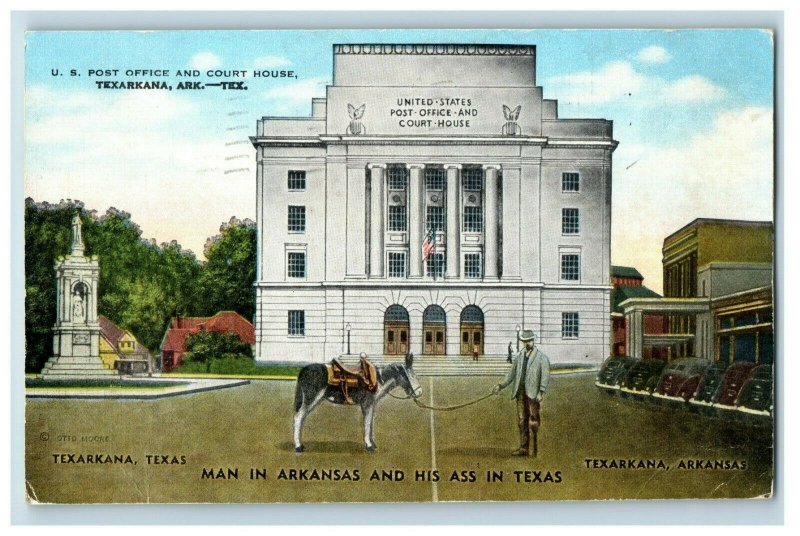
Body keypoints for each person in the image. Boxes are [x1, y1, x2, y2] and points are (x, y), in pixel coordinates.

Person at [493, 330, 551, 457]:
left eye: (529, 340)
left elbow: (545, 376)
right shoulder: (519, 356)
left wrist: (541, 392)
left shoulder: (542, 357)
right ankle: (524, 449)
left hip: (533, 394)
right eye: (525, 341)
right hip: (520, 393)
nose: (527, 343)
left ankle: (535, 449)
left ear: (533, 340)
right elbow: (511, 374)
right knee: (521, 421)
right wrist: (500, 385)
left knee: (534, 422)